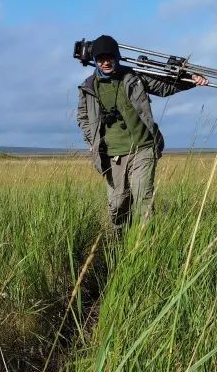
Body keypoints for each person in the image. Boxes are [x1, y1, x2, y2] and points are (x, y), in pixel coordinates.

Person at [76, 35, 208, 238]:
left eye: (109, 57)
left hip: (143, 148)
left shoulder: (134, 77)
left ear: (116, 57)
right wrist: (92, 141)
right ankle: (120, 240)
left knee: (143, 197)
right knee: (118, 202)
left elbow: (165, 87)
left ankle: (144, 244)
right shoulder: (89, 87)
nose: (106, 62)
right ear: (94, 60)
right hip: (111, 154)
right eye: (101, 59)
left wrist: (191, 80)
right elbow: (83, 117)